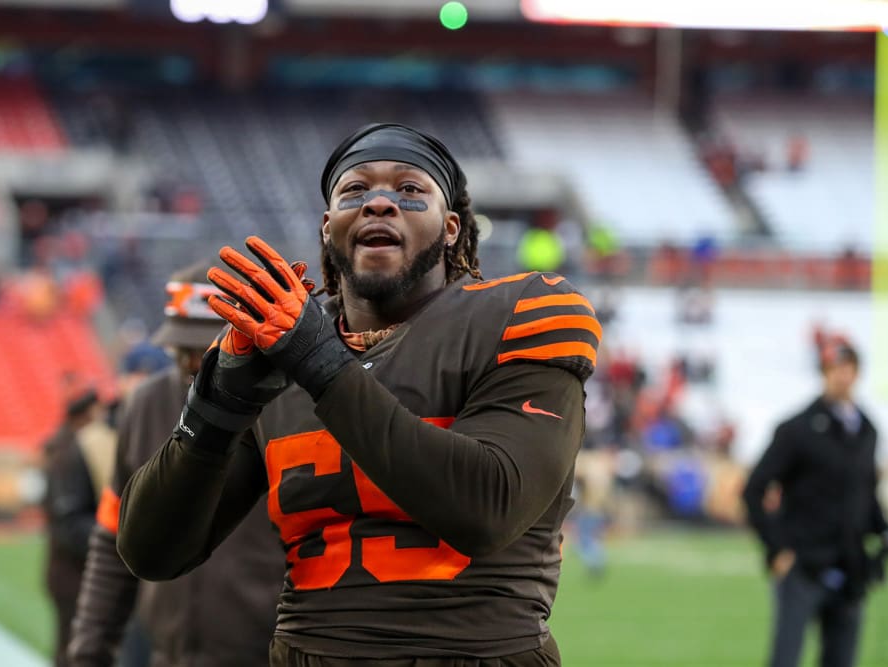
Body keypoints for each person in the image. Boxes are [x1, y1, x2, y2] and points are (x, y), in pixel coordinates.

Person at [116, 122, 601, 665]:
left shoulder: (520, 313)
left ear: (450, 228)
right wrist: (214, 406)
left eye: (411, 190)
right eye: (354, 191)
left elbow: (486, 508)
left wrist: (319, 362)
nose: (379, 203)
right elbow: (152, 552)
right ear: (329, 228)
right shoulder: (285, 346)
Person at [67, 261, 285, 667]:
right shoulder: (145, 403)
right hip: (168, 652)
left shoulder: (286, 403)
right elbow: (112, 537)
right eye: (180, 349)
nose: (190, 363)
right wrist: (89, 648)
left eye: (202, 349)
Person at [743, 340, 888, 667]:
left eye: (846, 368)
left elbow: (865, 497)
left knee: (841, 659)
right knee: (786, 658)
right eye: (832, 370)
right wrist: (776, 548)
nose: (840, 376)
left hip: (850, 566)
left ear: (857, 373)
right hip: (803, 564)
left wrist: (886, 532)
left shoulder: (867, 430)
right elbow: (754, 489)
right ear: (823, 374)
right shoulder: (798, 429)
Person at [42, 379, 106, 667]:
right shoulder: (68, 451)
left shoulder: (63, 445)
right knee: (75, 649)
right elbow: (68, 522)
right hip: (73, 572)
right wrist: (111, 545)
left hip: (69, 569)